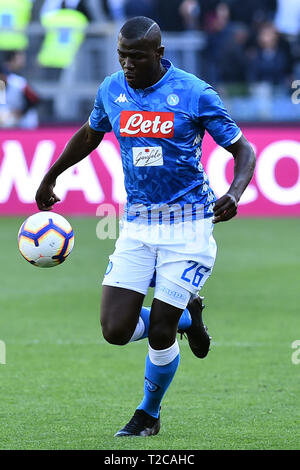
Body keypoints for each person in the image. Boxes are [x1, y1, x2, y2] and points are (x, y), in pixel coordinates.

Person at [35, 16, 256, 437]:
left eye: (137, 57)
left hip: (189, 226)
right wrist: (51, 175)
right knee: (115, 331)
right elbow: (90, 133)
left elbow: (242, 148)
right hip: (137, 225)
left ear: (159, 53)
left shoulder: (194, 93)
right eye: (122, 56)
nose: (128, 65)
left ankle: (148, 415)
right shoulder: (111, 89)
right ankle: (189, 317)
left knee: (158, 331)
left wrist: (235, 191)